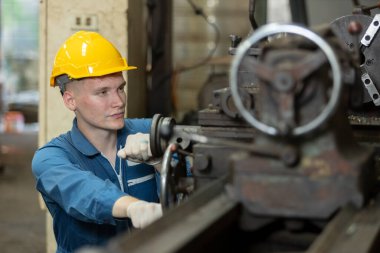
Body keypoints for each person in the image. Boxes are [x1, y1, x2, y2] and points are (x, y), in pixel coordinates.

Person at [32, 31, 162, 253]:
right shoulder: (51, 158)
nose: (119, 101)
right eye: (103, 92)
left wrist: (162, 160)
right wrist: (134, 207)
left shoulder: (147, 132)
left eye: (120, 88)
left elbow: (197, 172)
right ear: (70, 100)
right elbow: (85, 193)